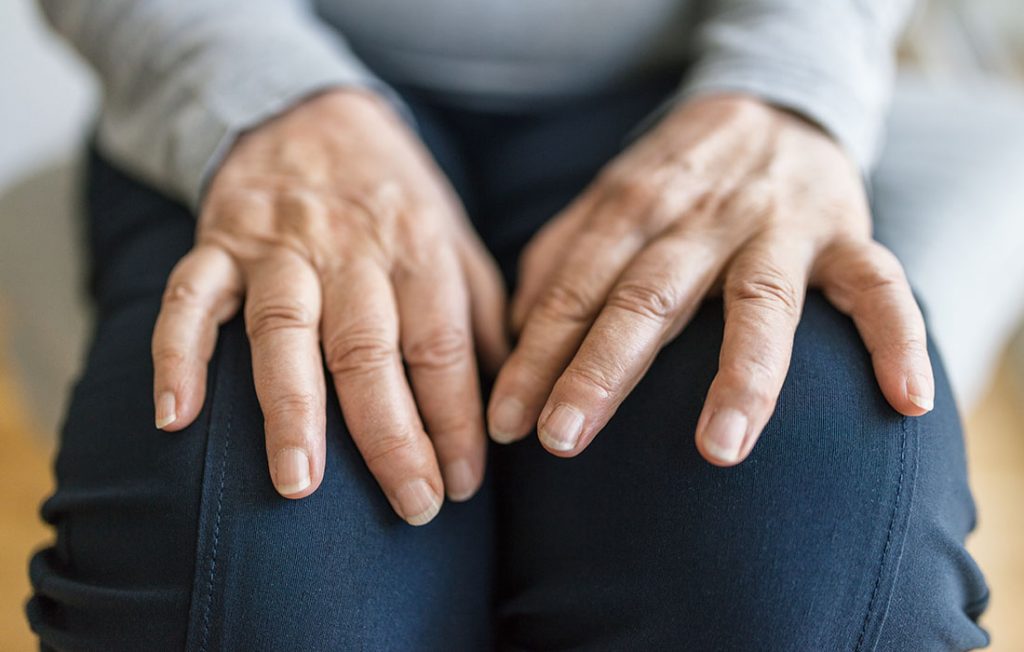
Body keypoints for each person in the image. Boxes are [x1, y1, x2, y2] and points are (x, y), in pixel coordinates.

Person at [29, 0, 991, 649]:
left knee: (809, 602)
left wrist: (791, 88)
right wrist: (263, 97)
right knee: (257, 609)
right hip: (268, 72)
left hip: (704, 86)